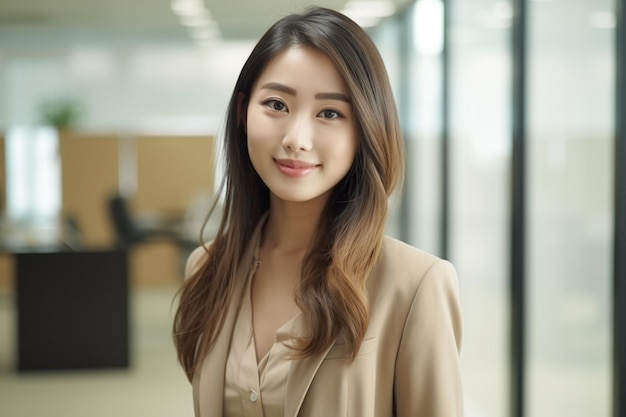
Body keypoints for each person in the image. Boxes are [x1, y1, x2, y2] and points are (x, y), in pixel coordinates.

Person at [173, 6, 463, 417]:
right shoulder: (206, 269)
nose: (296, 138)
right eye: (276, 104)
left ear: (365, 129)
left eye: (330, 113)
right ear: (242, 112)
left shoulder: (415, 285)